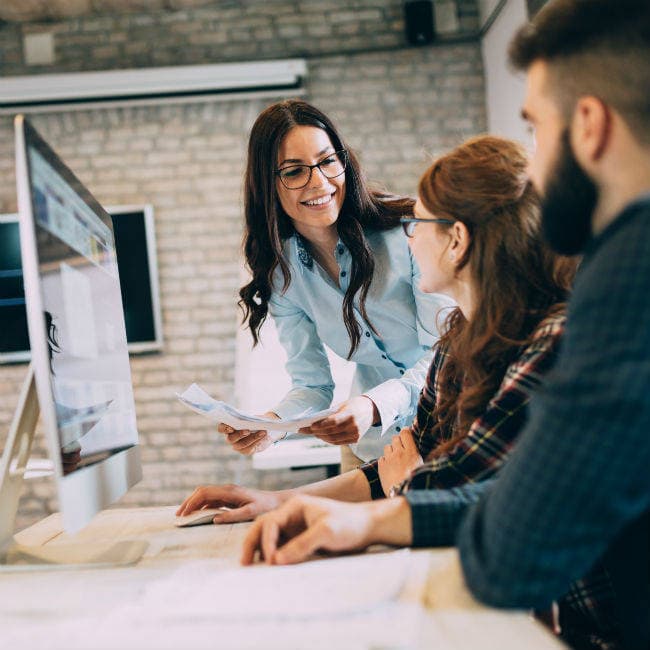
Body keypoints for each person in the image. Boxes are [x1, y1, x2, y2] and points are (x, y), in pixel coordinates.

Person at [240, 2, 650, 649]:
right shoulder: (461, 333)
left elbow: (510, 538)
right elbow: (489, 499)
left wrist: (399, 478)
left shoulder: (610, 298)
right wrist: (299, 492)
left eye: (536, 131)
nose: (533, 176)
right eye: (293, 171)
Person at [178, 135, 574, 530]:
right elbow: (413, 472)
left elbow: (464, 501)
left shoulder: (545, 349)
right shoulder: (454, 346)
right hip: (383, 457)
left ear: (456, 240)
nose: (410, 233)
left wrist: (401, 485)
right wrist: (272, 495)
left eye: (419, 222)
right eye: (295, 171)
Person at [223, 99, 450, 470]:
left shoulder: (409, 231)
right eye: (294, 172)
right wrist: (273, 426)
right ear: (268, 185)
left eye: (328, 161)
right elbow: (313, 386)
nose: (320, 183)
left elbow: (445, 356)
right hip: (373, 450)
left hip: (449, 434)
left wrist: (373, 406)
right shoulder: (283, 275)